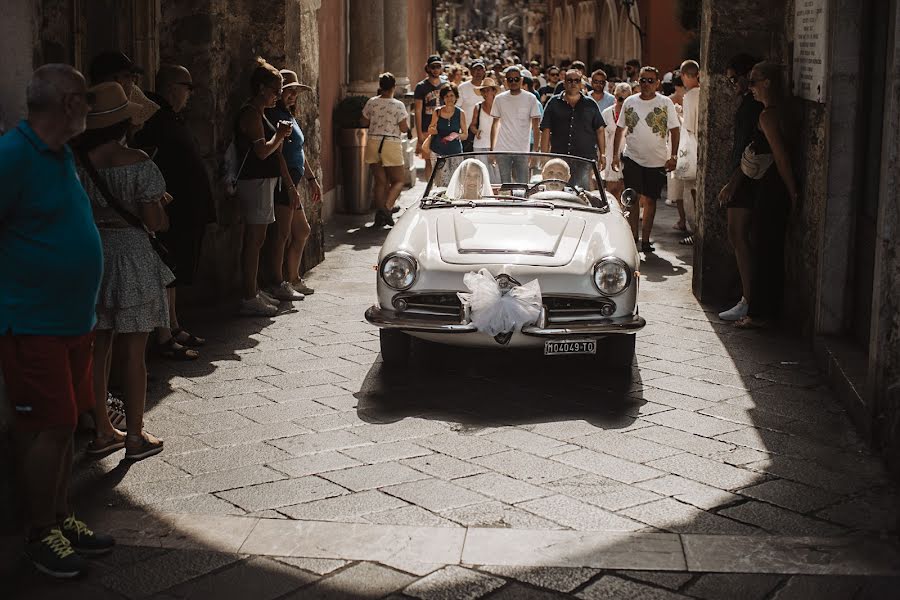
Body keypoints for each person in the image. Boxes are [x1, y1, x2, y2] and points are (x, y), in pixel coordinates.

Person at [0, 64, 115, 579]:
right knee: (48, 428)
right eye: (85, 98)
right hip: (32, 323)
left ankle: (61, 518)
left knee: (65, 425)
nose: (89, 108)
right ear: (68, 102)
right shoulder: (12, 156)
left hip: (72, 320)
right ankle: (39, 532)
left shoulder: (61, 153)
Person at [72, 81, 172, 464]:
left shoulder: (78, 164)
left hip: (94, 251)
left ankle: (101, 431)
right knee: (134, 351)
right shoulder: (140, 163)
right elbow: (154, 222)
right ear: (125, 121)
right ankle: (134, 434)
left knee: (98, 348)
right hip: (131, 254)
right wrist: (160, 208)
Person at [134, 64, 215, 361]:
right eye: (187, 87)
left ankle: (174, 324)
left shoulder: (169, 117)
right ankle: (164, 334)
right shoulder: (156, 119)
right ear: (171, 87)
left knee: (176, 271)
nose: (191, 94)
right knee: (167, 271)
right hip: (172, 210)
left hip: (184, 209)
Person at [718, 61, 799, 329]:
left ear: (767, 83)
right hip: (774, 184)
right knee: (769, 248)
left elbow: (782, 157)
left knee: (766, 250)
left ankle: (760, 314)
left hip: (773, 185)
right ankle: (762, 311)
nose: (749, 87)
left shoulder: (767, 116)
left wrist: (793, 192)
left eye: (753, 81)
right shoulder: (780, 112)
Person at [234, 58, 295, 316]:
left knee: (258, 239)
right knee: (254, 240)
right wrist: (279, 135)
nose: (278, 97)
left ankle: (254, 289)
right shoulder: (250, 113)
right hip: (255, 181)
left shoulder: (259, 113)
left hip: (263, 181)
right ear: (261, 89)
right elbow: (261, 152)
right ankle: (248, 295)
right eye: (275, 91)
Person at [716, 54, 764, 321]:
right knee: (738, 235)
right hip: (742, 174)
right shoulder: (748, 103)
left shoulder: (753, 106)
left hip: (745, 177)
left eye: (735, 79)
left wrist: (733, 181)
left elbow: (752, 146)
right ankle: (747, 297)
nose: (733, 85)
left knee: (738, 234)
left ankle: (749, 300)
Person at [612, 66, 680, 253]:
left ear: (657, 83)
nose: (646, 84)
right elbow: (620, 129)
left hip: (657, 160)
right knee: (632, 198)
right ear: (638, 82)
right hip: (632, 157)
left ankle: (646, 240)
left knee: (650, 200)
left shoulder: (666, 103)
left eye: (651, 80)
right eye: (643, 80)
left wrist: (673, 156)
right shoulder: (630, 102)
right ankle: (633, 237)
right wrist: (614, 156)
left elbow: (675, 130)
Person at [265, 69, 321, 290]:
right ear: (278, 92)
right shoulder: (275, 117)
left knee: (302, 231)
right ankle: (279, 283)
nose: (292, 96)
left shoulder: (289, 116)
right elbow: (278, 154)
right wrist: (290, 185)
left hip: (294, 181)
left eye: (295, 92)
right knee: (282, 235)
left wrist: (311, 178)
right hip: (283, 182)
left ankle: (293, 279)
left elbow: (299, 151)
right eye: (288, 91)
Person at [539, 69, 605, 189]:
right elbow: (546, 130)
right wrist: (544, 156)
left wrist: (603, 155)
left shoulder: (590, 104)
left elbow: (600, 129)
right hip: (559, 158)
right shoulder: (553, 103)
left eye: (576, 81)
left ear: (581, 84)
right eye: (569, 80)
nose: (573, 83)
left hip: (584, 158)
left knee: (583, 192)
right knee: (558, 190)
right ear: (564, 83)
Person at [361, 72, 410, 227]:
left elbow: (363, 120)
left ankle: (380, 213)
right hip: (391, 143)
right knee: (399, 180)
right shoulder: (398, 105)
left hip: (373, 142)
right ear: (394, 87)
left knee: (380, 181)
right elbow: (403, 128)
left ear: (380, 86)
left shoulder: (371, 102)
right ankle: (387, 208)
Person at [490, 66, 542, 183]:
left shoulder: (531, 98)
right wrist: (492, 150)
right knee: (505, 185)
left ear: (522, 80)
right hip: (502, 150)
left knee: (523, 184)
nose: (513, 82)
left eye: (516, 79)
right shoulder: (499, 99)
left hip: (522, 150)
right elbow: (495, 125)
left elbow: (536, 126)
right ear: (506, 81)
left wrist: (534, 151)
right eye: (510, 79)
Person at [676, 60, 701, 242]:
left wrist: (678, 113)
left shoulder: (690, 95)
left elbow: (689, 126)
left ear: (684, 75)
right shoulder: (703, 92)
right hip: (700, 146)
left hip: (692, 150)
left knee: (689, 192)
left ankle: (694, 232)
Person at [414, 55, 445, 180]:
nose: (436, 69)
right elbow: (417, 110)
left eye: (438, 66)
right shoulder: (421, 87)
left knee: (442, 161)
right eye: (433, 67)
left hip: (443, 129)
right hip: (427, 128)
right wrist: (419, 133)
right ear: (428, 68)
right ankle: (429, 190)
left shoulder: (446, 85)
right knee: (428, 161)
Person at [601, 82, 633, 200]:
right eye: (620, 99)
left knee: (628, 192)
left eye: (627, 99)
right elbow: (602, 137)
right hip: (610, 155)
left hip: (630, 155)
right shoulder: (607, 113)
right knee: (612, 191)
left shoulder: (634, 113)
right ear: (615, 97)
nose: (623, 102)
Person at [468, 77, 500, 182]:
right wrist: (476, 132)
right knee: (482, 175)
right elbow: (472, 125)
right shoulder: (478, 107)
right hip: (480, 145)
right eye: (483, 91)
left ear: (494, 91)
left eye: (488, 90)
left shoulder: (500, 106)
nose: (486, 93)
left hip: (496, 146)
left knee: (498, 176)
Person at [427, 84, 467, 164]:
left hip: (455, 153)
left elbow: (465, 135)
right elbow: (430, 129)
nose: (449, 98)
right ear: (443, 98)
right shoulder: (437, 112)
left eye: (452, 95)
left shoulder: (460, 113)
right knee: (439, 176)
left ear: (456, 97)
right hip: (438, 153)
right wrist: (433, 130)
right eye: (446, 96)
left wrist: (456, 135)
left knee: (455, 176)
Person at [458, 60, 486, 133]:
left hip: (484, 132)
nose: (478, 72)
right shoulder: (462, 88)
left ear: (484, 71)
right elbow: (457, 108)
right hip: (466, 131)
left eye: (480, 69)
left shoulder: (488, 88)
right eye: (476, 69)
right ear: (471, 71)